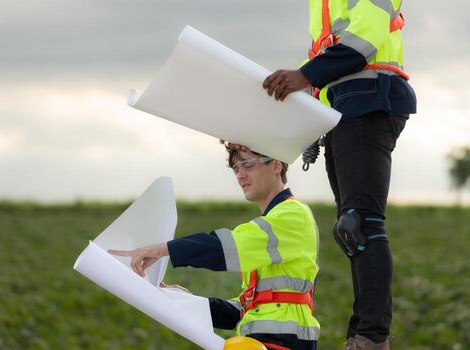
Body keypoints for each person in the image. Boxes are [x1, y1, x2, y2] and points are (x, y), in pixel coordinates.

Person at [261, 0, 417, 349]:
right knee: (351, 228)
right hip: (341, 108)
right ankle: (361, 334)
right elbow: (329, 51)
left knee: (360, 224)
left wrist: (305, 75)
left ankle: (371, 338)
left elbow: (365, 39)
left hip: (370, 100)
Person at [110, 146, 321, 350]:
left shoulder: (292, 214)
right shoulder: (275, 222)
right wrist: (185, 301)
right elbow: (243, 309)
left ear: (276, 165)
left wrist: (163, 249)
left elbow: (224, 247)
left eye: (247, 165)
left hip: (284, 342)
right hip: (267, 341)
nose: (240, 175)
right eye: (236, 169)